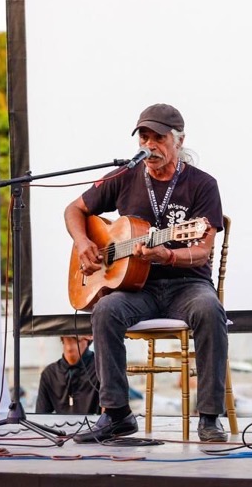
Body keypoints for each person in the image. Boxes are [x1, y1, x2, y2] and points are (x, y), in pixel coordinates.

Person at [63, 103, 228, 443]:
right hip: (138, 288)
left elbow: (202, 249)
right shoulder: (125, 176)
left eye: (159, 138)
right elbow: (74, 209)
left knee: (210, 310)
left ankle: (210, 416)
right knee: (106, 310)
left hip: (187, 285)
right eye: (144, 137)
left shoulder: (202, 185)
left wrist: (167, 255)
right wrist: (83, 242)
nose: (149, 145)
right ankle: (117, 415)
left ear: (179, 141)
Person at [35, 336, 100, 415]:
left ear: (90, 336)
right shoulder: (49, 374)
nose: (71, 331)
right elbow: (41, 416)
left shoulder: (101, 369)